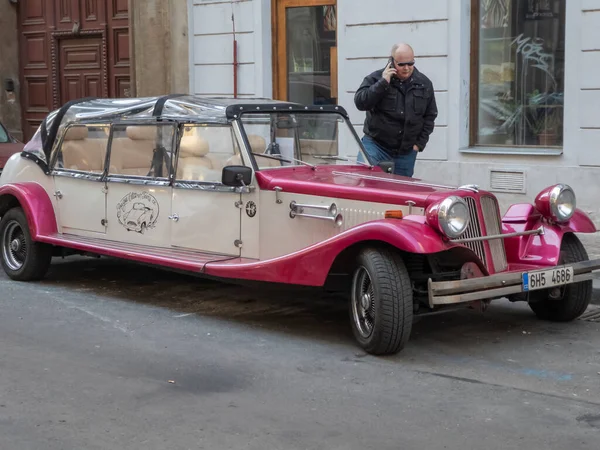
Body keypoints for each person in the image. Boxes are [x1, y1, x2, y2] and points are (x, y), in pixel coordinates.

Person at [354, 43, 438, 177]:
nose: (406, 68)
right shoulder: (376, 78)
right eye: (401, 64)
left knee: (400, 192)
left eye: (410, 64)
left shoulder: (424, 83)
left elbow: (430, 115)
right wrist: (383, 83)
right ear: (392, 61)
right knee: (365, 184)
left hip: (406, 152)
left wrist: (419, 144)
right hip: (375, 146)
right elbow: (360, 103)